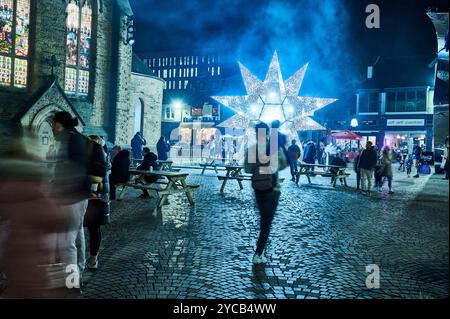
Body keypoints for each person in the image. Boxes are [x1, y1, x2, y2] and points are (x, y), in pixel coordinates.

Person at [51, 111, 90, 290]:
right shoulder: (78, 137)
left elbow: (70, 170)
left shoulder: (69, 139)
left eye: (54, 123)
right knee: (77, 236)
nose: (52, 127)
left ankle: (72, 284)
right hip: (80, 195)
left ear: (60, 123)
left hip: (71, 196)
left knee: (67, 243)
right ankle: (79, 272)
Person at [244, 122, 288, 265]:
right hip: (272, 189)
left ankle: (260, 250)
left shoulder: (252, 149)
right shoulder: (274, 148)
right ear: (268, 133)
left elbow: (248, 169)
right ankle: (259, 253)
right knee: (266, 222)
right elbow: (281, 165)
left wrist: (259, 168)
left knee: (264, 220)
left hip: (258, 188)